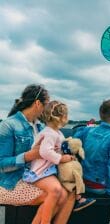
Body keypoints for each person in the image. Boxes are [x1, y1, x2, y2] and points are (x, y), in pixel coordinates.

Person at [0, 84, 75, 224]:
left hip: (32, 175)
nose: (49, 110)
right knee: (56, 193)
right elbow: (1, 165)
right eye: (47, 105)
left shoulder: (40, 126)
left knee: (69, 191)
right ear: (37, 103)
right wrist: (30, 155)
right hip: (10, 182)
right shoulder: (8, 125)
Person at [22, 100, 95, 222]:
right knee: (56, 190)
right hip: (39, 172)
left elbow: (59, 148)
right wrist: (61, 159)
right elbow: (44, 151)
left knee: (64, 193)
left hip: (48, 171)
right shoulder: (49, 133)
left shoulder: (57, 133)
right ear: (61, 117)